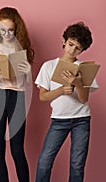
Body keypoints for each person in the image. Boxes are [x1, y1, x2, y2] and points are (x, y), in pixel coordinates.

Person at [35, 22, 98, 182]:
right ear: (64, 41)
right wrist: (61, 90)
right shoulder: (49, 66)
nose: (72, 50)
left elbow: (84, 99)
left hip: (81, 120)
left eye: (77, 48)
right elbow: (43, 96)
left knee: (77, 164)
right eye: (70, 44)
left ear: (82, 50)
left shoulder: (83, 68)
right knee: (44, 162)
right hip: (59, 120)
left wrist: (77, 83)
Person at [0, 7, 34, 182]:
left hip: (17, 97)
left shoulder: (23, 48)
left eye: (10, 30)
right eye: (2, 30)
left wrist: (28, 71)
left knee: (17, 148)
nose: (6, 34)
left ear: (17, 28)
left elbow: (28, 82)